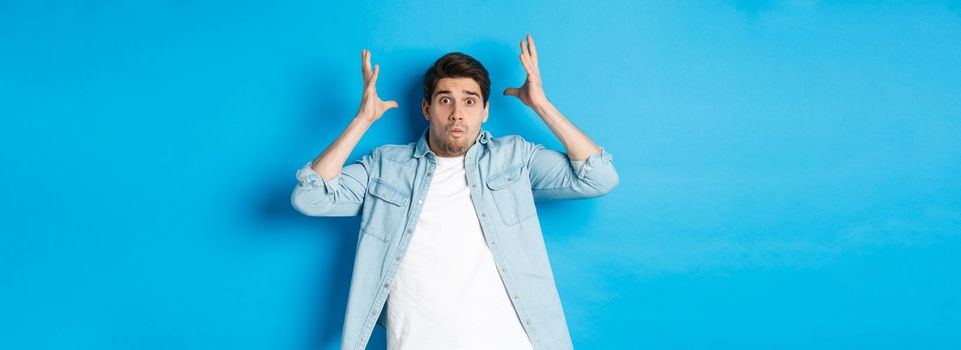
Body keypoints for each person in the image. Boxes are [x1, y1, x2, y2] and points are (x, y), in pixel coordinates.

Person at [291, 34, 618, 350]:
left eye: (470, 101)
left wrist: (541, 105)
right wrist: (362, 121)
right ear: (426, 108)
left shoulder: (515, 158)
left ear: (485, 111)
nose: (457, 113)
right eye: (445, 99)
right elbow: (311, 197)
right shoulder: (386, 166)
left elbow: (599, 177)